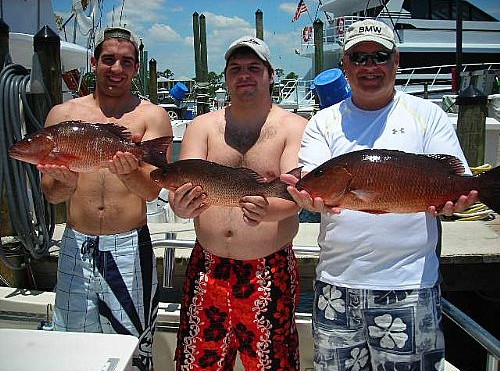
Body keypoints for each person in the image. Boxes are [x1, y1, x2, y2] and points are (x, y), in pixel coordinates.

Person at [282, 19, 478, 370]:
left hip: (409, 284)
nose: (368, 66)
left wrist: (458, 203)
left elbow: (456, 178)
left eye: (379, 56)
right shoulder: (323, 123)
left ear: (396, 61)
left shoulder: (428, 116)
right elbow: (312, 179)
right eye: (358, 57)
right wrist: (305, 193)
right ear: (344, 65)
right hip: (336, 287)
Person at [168, 36, 307, 370]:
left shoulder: (294, 127)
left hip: (268, 270)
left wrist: (269, 210)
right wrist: (180, 206)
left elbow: (296, 194)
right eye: (236, 69)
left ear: (270, 75)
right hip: (207, 267)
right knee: (198, 364)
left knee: (273, 365)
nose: (244, 75)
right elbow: (181, 185)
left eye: (253, 68)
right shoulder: (202, 126)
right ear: (226, 77)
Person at [39, 26, 173, 371]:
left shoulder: (152, 116)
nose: (117, 69)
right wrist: (65, 183)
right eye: (109, 60)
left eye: (126, 62)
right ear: (94, 62)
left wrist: (128, 171)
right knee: (72, 348)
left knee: (132, 347)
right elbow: (52, 194)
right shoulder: (62, 116)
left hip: (130, 247)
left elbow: (152, 190)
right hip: (75, 244)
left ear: (136, 68)